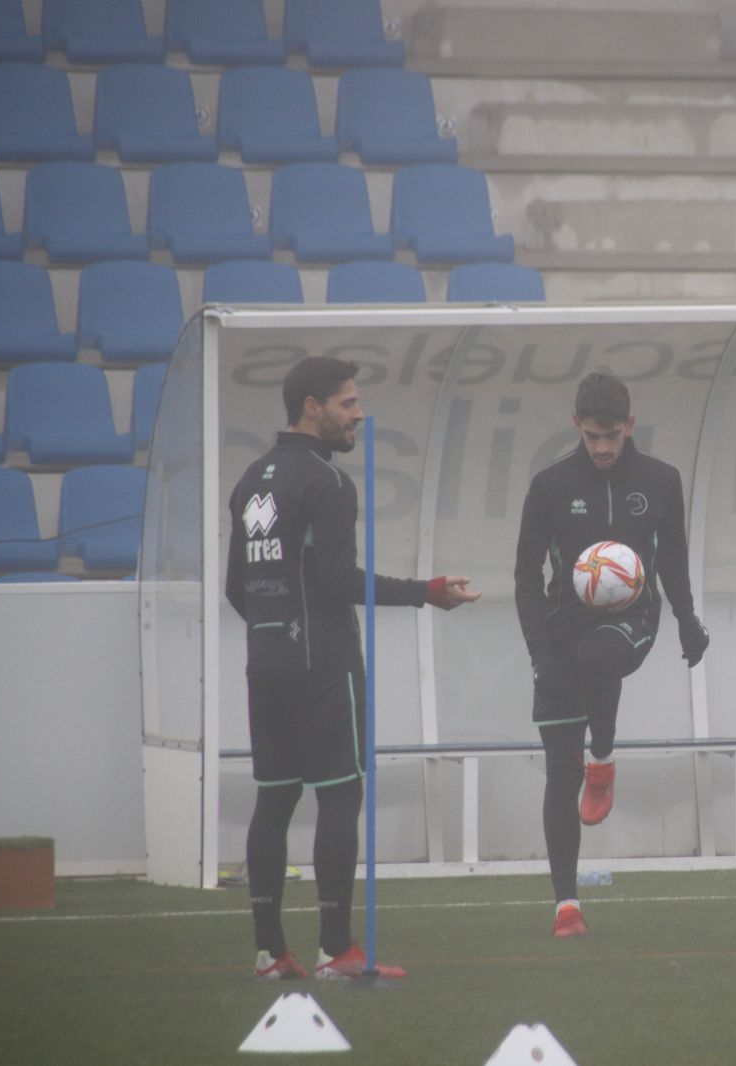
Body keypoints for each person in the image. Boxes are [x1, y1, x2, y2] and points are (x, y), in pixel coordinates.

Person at [226, 356, 480, 981]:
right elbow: (340, 581)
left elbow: (238, 587)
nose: (358, 415)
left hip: (267, 662)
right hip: (325, 664)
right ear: (312, 406)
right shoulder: (329, 483)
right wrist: (428, 591)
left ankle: (269, 953)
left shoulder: (251, 481)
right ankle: (337, 951)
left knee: (275, 799)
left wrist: (278, 627)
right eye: (348, 403)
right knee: (342, 797)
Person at [513, 371, 709, 938]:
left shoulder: (660, 480)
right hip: (560, 629)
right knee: (557, 770)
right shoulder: (550, 486)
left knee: (601, 658)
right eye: (593, 435)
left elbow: (672, 558)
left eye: (612, 436)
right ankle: (566, 907)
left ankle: (603, 760)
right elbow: (526, 575)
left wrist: (687, 620)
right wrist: (538, 652)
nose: (602, 447)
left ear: (629, 425)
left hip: (632, 618)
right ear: (577, 425)